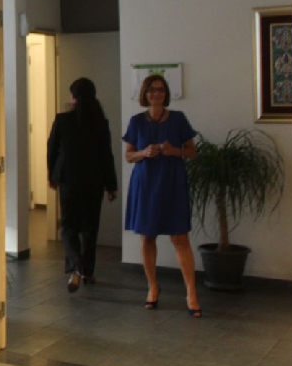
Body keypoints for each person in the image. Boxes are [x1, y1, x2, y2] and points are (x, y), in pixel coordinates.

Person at [123, 73, 202, 317]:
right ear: (145, 94)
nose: (156, 94)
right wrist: (143, 153)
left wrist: (174, 150)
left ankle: (191, 293)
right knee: (147, 237)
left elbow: (192, 152)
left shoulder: (178, 119)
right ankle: (152, 287)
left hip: (172, 183)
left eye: (160, 89)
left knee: (180, 237)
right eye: (151, 90)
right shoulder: (136, 121)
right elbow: (129, 155)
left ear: (165, 93)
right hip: (146, 184)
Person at [46, 77, 118, 292]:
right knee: (90, 227)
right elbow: (107, 156)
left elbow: (52, 149)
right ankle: (87, 272)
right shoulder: (101, 122)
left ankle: (76, 267)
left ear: (73, 97)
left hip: (68, 179)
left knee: (69, 227)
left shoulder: (62, 120)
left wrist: (52, 176)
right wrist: (111, 185)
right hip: (94, 180)